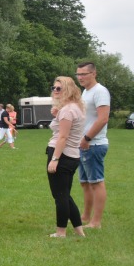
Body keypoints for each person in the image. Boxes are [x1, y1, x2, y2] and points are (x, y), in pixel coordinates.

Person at [46, 76, 86, 237]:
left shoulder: (68, 110)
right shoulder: (75, 108)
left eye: (59, 88)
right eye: (54, 87)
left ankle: (60, 232)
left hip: (62, 155)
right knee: (65, 195)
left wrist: (55, 159)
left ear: (68, 90)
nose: (55, 91)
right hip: (72, 156)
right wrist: (57, 115)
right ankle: (79, 230)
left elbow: (63, 137)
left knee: (60, 196)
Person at [76, 61, 111, 229]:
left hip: (94, 144)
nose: (80, 77)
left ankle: (96, 222)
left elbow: (103, 118)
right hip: (84, 144)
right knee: (85, 182)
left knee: (96, 182)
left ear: (93, 74)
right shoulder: (86, 91)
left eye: (84, 74)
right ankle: (85, 216)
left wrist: (87, 138)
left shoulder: (100, 91)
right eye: (78, 74)